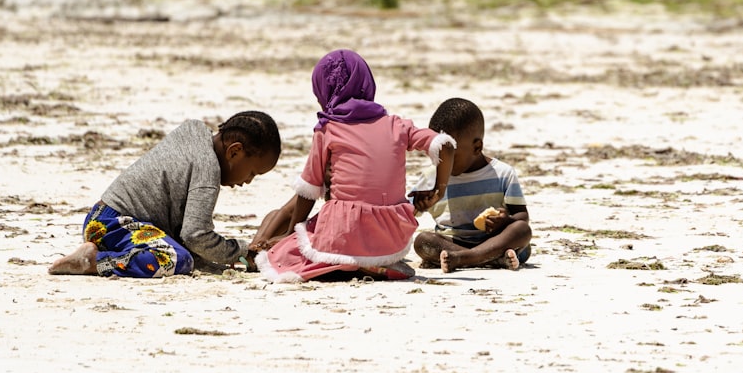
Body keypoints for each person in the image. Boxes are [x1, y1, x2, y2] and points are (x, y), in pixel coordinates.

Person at [251, 49, 456, 282]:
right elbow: (445, 145)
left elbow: (308, 190)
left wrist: (290, 235)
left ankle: (349, 264)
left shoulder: (328, 129)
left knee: (282, 255)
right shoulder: (396, 124)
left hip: (344, 231)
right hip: (391, 236)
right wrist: (438, 191)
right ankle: (373, 264)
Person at [48, 111, 281, 278]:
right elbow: (195, 235)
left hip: (101, 216)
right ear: (235, 151)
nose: (247, 182)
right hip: (115, 224)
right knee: (179, 259)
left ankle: (103, 252)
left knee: (190, 255)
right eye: (252, 172)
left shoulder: (195, 131)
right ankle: (93, 262)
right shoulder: (207, 168)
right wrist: (241, 250)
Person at [411, 97, 532, 273]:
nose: (442, 162)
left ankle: (466, 259)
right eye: (437, 154)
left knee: (522, 230)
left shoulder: (503, 173)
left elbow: (521, 216)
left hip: (495, 241)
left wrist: (506, 221)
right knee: (423, 241)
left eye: (451, 155)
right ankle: (485, 259)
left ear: (477, 147)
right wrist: (419, 205)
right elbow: (406, 213)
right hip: (451, 243)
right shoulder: (431, 177)